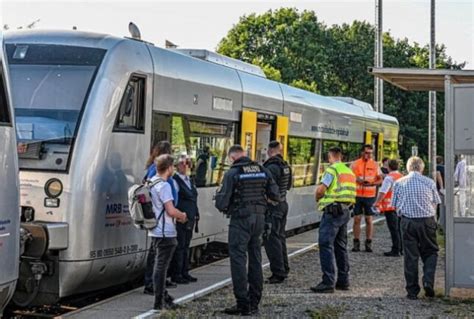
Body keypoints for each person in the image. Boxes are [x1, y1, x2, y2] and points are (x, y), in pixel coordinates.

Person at [215, 145, 279, 316]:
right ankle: (254, 302)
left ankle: (242, 303)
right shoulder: (262, 169)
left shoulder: (232, 173)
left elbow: (221, 203)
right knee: (256, 258)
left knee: (238, 260)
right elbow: (275, 195)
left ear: (232, 158)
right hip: (259, 219)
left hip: (240, 221)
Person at [392, 156, 441, 300]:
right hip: (427, 221)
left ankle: (412, 291)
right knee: (431, 252)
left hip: (407, 222)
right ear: (422, 168)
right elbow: (436, 202)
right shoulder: (429, 182)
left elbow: (394, 205)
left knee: (410, 256)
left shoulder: (399, 183)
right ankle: (428, 281)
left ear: (407, 168)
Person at [311, 146, 356, 293]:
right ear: (341, 156)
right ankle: (344, 281)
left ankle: (328, 281)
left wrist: (317, 197)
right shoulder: (348, 171)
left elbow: (321, 189)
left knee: (325, 245)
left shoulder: (332, 170)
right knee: (341, 246)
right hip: (345, 211)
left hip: (332, 213)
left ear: (330, 157)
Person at [148, 154, 188, 310]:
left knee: (158, 265)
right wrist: (182, 216)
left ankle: (163, 296)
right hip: (165, 232)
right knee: (161, 267)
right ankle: (159, 302)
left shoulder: (151, 182)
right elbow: (170, 210)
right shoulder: (164, 186)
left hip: (154, 230)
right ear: (169, 168)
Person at [144, 141, 179, 295]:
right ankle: (154, 285)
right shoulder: (156, 174)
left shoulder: (153, 170)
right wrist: (179, 214)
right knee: (157, 257)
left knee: (156, 255)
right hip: (161, 221)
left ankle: (157, 283)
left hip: (160, 219)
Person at [263, 141, 292, 284]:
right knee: (280, 238)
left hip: (273, 207)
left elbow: (268, 188)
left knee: (271, 239)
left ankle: (277, 272)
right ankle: (284, 268)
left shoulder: (271, 167)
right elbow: (289, 186)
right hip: (283, 204)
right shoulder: (285, 166)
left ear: (270, 150)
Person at [170, 155, 199, 284]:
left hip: (191, 217)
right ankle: (177, 274)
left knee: (186, 245)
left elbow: (194, 199)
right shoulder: (175, 180)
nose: (185, 166)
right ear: (177, 165)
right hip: (181, 218)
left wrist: (196, 213)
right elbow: (174, 200)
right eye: (182, 163)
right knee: (180, 246)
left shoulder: (190, 180)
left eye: (187, 163)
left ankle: (185, 271)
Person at [350, 144, 382, 252]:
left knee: (369, 219)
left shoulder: (375, 164)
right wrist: (357, 180)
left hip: (369, 195)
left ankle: (368, 243)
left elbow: (380, 179)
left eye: (371, 153)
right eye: (367, 152)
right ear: (362, 152)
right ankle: (356, 243)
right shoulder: (355, 164)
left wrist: (372, 183)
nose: (369, 155)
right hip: (357, 195)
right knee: (357, 219)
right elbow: (349, 178)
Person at [374, 159, 404, 257]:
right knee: (400, 229)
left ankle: (395, 249)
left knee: (393, 229)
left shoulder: (389, 178)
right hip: (400, 206)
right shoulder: (401, 176)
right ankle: (401, 249)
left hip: (390, 206)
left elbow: (383, 192)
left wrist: (377, 202)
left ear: (388, 167)